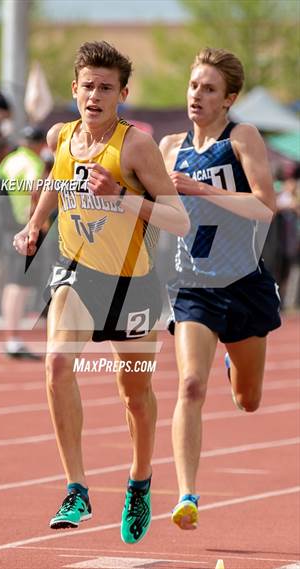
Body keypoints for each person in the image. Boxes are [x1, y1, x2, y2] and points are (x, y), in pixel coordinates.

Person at [13, 41, 189, 543]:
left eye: (105, 88)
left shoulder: (136, 147)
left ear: (122, 94)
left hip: (133, 284)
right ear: (74, 90)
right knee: (56, 364)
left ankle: (139, 480)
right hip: (76, 270)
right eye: (87, 86)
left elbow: (179, 219)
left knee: (135, 396)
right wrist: (36, 226)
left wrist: (123, 198)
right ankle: (76, 488)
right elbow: (56, 179)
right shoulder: (61, 135)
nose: (95, 95)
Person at [159, 47, 281, 531]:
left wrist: (200, 190)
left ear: (228, 99)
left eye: (209, 89)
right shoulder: (168, 148)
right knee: (190, 384)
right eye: (193, 86)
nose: (197, 95)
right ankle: (187, 493)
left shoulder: (241, 138)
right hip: (193, 285)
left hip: (245, 284)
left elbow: (265, 206)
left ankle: (235, 361)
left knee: (247, 400)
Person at [0, 126, 47, 359]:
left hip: (6, 226)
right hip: (25, 226)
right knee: (19, 282)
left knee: (12, 281)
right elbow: (35, 189)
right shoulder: (33, 163)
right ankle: (13, 339)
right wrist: (38, 222)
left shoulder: (9, 160)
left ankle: (11, 336)